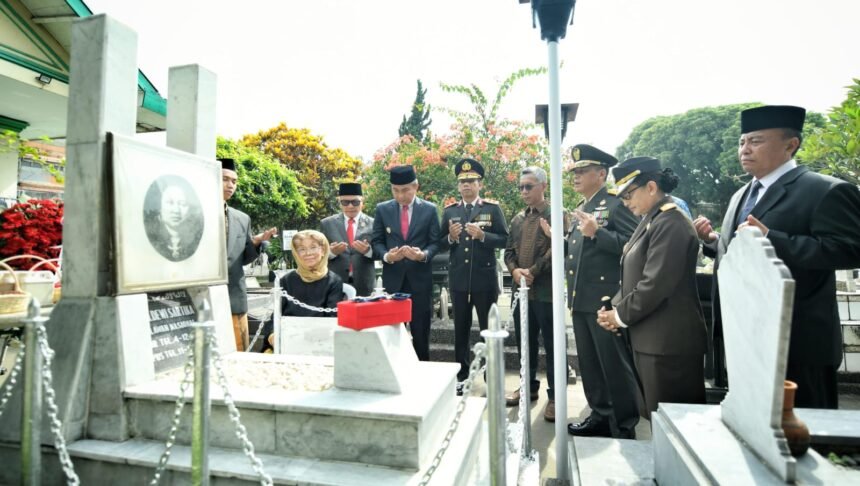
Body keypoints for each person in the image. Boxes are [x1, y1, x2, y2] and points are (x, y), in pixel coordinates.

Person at [693, 105, 860, 409]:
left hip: (797, 340)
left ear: (790, 144)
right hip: (744, 334)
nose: (745, 149)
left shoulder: (824, 190)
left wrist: (773, 238)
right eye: (742, 142)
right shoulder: (740, 195)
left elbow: (849, 250)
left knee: (802, 438)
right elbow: (743, 251)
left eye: (756, 141)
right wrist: (714, 241)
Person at [597, 156, 707, 417]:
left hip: (668, 343)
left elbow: (654, 284)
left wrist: (620, 315)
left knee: (674, 424)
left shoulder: (671, 222)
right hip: (650, 337)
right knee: (658, 420)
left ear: (651, 187)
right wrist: (613, 309)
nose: (625, 202)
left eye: (629, 194)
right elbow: (632, 275)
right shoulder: (652, 220)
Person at [563, 145, 641, 439]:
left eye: (582, 171)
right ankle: (600, 414)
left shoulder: (616, 204)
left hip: (606, 301)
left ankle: (623, 425)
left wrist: (599, 233)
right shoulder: (584, 207)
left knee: (614, 366)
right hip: (582, 300)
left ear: (602, 173)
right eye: (574, 172)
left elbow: (634, 245)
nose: (576, 177)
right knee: (591, 364)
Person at [439, 159, 509, 395]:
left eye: (471, 181)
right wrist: (449, 237)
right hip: (459, 281)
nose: (466, 185)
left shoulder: (491, 209)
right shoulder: (450, 211)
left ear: (479, 184)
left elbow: (505, 239)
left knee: (488, 330)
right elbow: (439, 244)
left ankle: (492, 377)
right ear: (458, 186)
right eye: (462, 182)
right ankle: (462, 375)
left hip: (484, 280)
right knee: (460, 331)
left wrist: (483, 236)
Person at [504, 166, 561, 422]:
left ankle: (556, 397)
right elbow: (508, 252)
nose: (524, 191)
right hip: (522, 293)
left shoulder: (557, 214)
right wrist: (515, 272)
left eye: (529, 186)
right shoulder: (517, 219)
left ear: (543, 186)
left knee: (552, 347)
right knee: (524, 344)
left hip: (546, 293)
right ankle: (528, 388)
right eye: (521, 187)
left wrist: (534, 271)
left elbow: (556, 249)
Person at [371, 165, 441, 360]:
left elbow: (435, 243)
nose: (400, 195)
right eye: (395, 190)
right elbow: (377, 242)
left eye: (405, 190)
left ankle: (422, 373)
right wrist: (387, 256)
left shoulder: (429, 210)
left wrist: (422, 255)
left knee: (420, 334)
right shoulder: (383, 209)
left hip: (420, 282)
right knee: (393, 334)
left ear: (415, 187)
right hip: (393, 281)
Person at [220, 158, 279, 352]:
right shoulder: (193, 213)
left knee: (237, 353)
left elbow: (242, 258)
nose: (230, 185)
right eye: (224, 179)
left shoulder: (242, 218)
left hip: (234, 298)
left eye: (234, 181)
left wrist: (255, 242)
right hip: (200, 300)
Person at [263, 230, 346, 351]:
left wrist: (304, 338)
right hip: (287, 338)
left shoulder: (334, 281)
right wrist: (272, 336)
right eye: (302, 249)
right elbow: (275, 316)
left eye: (313, 247)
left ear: (323, 250)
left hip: (319, 342)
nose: (308, 253)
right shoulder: (286, 280)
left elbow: (332, 317)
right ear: (296, 253)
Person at [320, 182, 376, 297]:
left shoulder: (374, 224)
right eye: (345, 202)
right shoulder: (327, 224)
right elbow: (319, 254)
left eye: (355, 202)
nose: (350, 206)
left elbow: (381, 252)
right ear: (340, 203)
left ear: (362, 202)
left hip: (364, 284)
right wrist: (331, 253)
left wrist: (368, 251)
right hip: (335, 283)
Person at [143, 175, 204, 262]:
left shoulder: (194, 241)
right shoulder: (152, 237)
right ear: (159, 206)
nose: (176, 210)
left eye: (182, 204)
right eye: (170, 203)